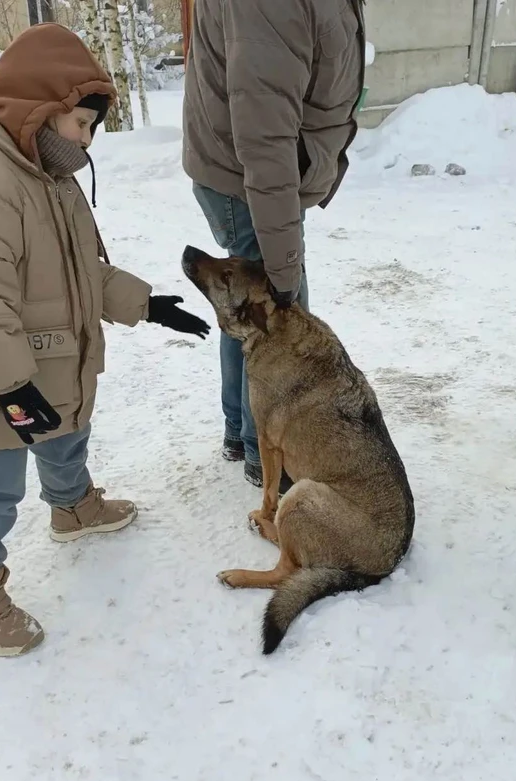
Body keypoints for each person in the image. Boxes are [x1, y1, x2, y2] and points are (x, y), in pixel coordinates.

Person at [0, 23, 210, 657]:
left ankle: (72, 507)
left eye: (92, 128)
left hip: (43, 358)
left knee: (68, 429)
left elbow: (78, 270)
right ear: (39, 108)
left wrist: (143, 303)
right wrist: (12, 388)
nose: (86, 140)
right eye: (80, 123)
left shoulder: (46, 169)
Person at [182, 0, 365, 489]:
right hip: (256, 181)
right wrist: (284, 277)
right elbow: (265, 139)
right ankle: (266, 455)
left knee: (248, 310)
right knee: (275, 318)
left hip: (262, 175)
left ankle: (240, 435)